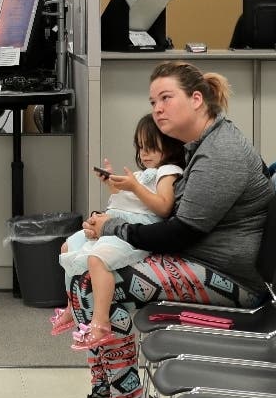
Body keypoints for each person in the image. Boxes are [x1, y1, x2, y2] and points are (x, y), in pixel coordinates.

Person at [63, 61, 272, 398]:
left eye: (166, 98)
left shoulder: (220, 153)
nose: (157, 108)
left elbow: (178, 234)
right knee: (84, 276)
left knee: (97, 285)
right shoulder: (199, 146)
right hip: (198, 261)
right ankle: (107, 390)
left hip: (229, 278)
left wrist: (114, 227)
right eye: (153, 101)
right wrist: (113, 218)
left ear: (196, 99)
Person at [49, 115, 185, 349]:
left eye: (151, 147)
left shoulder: (168, 172)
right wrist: (111, 181)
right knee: (68, 246)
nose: (144, 153)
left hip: (134, 229)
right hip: (113, 222)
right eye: (141, 147)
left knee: (96, 260)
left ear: (170, 145)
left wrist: (134, 187)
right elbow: (127, 196)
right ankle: (73, 306)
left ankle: (100, 322)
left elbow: (163, 206)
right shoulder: (144, 174)